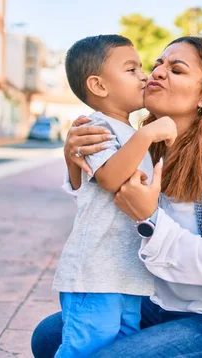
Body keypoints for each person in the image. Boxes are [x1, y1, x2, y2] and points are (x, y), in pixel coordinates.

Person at [32, 36, 202, 357]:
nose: (156, 72)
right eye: (158, 64)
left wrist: (151, 220)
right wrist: (75, 160)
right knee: (47, 336)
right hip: (161, 302)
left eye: (177, 69)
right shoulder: (149, 144)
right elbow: (110, 212)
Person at [52, 34, 177, 358]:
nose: (145, 76)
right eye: (131, 70)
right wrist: (149, 134)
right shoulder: (95, 127)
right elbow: (109, 177)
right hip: (95, 271)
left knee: (120, 344)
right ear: (99, 85)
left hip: (126, 273)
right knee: (85, 347)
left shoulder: (129, 131)